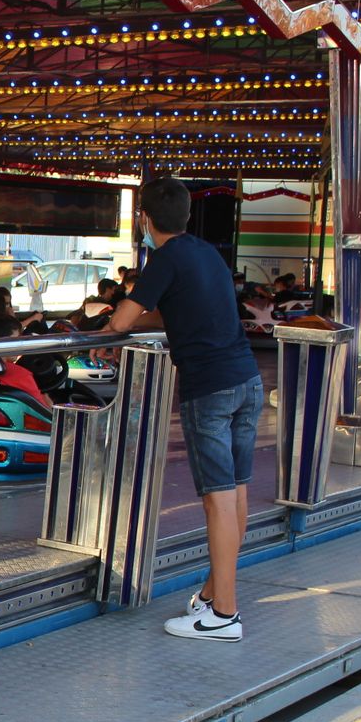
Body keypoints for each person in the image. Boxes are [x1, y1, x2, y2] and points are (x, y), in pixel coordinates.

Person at [104, 175, 261, 643]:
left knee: (217, 498)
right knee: (236, 492)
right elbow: (174, 309)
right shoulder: (205, 253)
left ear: (146, 219)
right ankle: (215, 596)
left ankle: (225, 615)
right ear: (187, 216)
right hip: (246, 380)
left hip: (208, 388)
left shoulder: (163, 259)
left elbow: (120, 322)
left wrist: (111, 322)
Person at [0, 314, 50, 406]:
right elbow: (43, 416)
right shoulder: (20, 375)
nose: (20, 344)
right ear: (2, 342)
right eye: (16, 339)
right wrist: (49, 404)